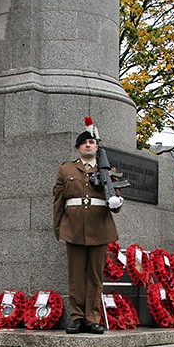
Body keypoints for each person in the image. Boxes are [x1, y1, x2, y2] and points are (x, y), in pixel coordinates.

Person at [53, 120, 123, 335]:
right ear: (78, 148)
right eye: (84, 143)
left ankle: (92, 318)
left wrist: (117, 203)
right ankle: (77, 317)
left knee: (94, 276)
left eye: (92, 142)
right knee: (76, 276)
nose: (88, 145)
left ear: (97, 147)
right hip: (73, 228)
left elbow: (115, 197)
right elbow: (58, 201)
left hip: (99, 228)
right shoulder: (66, 169)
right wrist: (58, 228)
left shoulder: (107, 170)